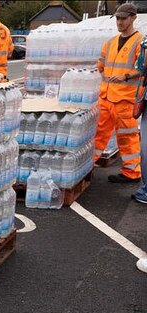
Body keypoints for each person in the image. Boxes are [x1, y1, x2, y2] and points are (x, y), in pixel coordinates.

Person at [95, 2, 143, 184]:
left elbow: (143, 68)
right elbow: (101, 64)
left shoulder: (141, 42)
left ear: (133, 18)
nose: (120, 22)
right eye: (117, 18)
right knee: (97, 134)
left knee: (127, 137)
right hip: (106, 97)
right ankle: (85, 167)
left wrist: (126, 76)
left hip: (125, 99)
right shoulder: (110, 42)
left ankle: (132, 172)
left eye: (123, 18)